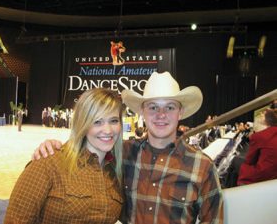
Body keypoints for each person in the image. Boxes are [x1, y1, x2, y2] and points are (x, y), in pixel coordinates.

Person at [33, 71, 224, 223]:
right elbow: (85, 150)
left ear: (180, 112)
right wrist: (54, 147)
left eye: (170, 107)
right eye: (153, 107)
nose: (161, 114)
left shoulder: (202, 167)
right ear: (142, 111)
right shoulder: (121, 153)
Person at [4, 88, 124, 224]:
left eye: (114, 121)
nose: (108, 130)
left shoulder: (115, 172)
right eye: (97, 122)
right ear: (82, 123)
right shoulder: (48, 163)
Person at [237, 108, 277, 185]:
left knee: (235, 161)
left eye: (262, 115)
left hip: (264, 175)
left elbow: (249, 161)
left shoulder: (260, 136)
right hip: (273, 174)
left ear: (266, 120)